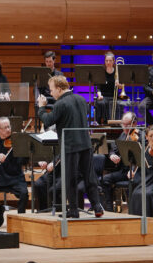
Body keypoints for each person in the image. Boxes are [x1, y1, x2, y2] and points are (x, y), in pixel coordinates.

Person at [36, 74, 104, 218]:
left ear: (60, 89)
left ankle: (73, 210)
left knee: (70, 179)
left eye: (52, 89)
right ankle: (97, 206)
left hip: (70, 146)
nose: (51, 93)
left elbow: (48, 121)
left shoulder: (60, 104)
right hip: (86, 144)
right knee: (89, 176)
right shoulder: (81, 99)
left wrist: (41, 108)